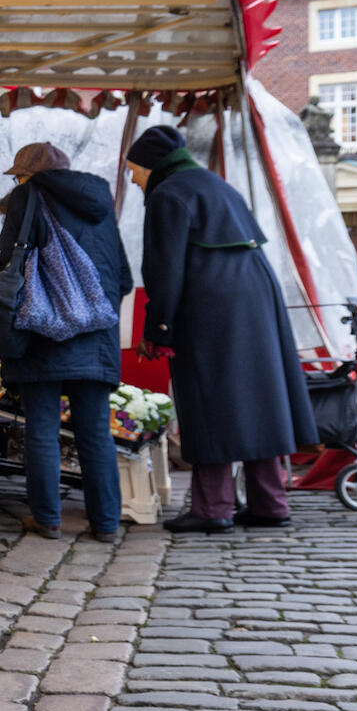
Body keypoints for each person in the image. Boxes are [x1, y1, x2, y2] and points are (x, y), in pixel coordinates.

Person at [128, 124, 316, 533]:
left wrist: (157, 329)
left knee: (210, 399)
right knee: (257, 399)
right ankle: (270, 503)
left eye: (134, 169)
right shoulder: (218, 186)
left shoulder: (168, 194)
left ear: (151, 164)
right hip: (257, 301)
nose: (132, 178)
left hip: (212, 307)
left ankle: (212, 508)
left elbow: (164, 268)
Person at [0, 141, 132, 543]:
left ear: (31, 176)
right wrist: (87, 309)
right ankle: (105, 524)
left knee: (41, 429)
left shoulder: (27, 197)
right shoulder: (100, 202)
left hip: (42, 331)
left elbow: (9, 257)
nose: (17, 182)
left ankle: (48, 519)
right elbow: (121, 275)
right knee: (95, 433)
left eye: (19, 175)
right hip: (96, 333)